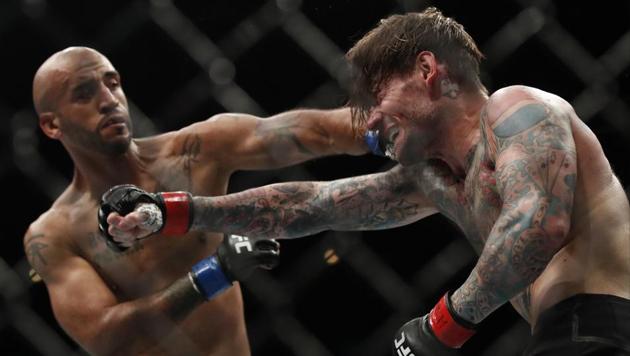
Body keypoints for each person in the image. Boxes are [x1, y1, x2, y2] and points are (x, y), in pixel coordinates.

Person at [105, 8, 630, 355]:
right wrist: (174, 210)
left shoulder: (515, 110)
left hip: (606, 324)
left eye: (377, 96)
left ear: (428, 70)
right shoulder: (439, 177)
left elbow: (538, 224)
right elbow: (312, 204)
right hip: (567, 333)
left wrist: (442, 325)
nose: (370, 121)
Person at [23, 46, 369, 355]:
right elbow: (104, 337)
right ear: (53, 125)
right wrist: (215, 273)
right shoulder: (55, 234)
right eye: (84, 94)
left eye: (112, 83)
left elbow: (316, 132)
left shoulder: (196, 152)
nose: (109, 100)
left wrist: (388, 125)